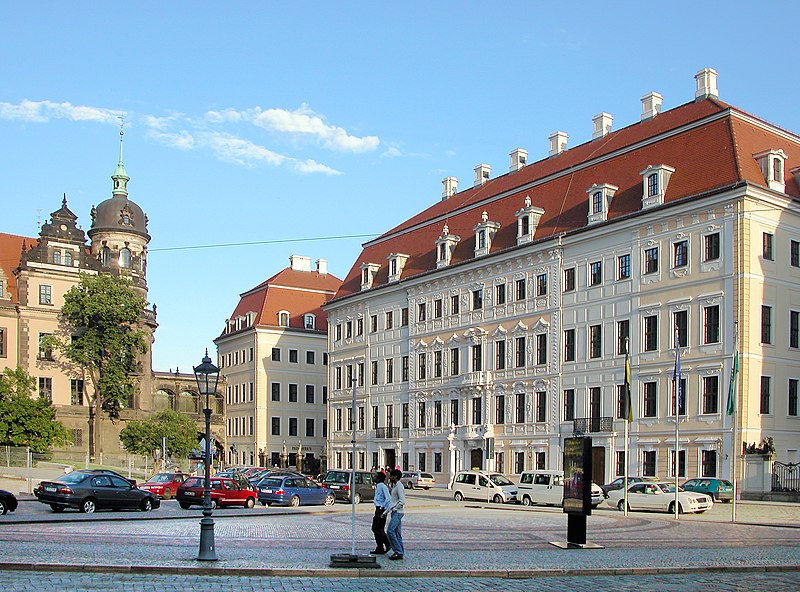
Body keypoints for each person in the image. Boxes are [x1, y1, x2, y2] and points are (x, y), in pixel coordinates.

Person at [383, 468, 406, 560]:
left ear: (395, 476)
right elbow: (392, 501)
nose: (390, 477)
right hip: (395, 512)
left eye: (392, 476)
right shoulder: (395, 486)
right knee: (397, 533)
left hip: (398, 512)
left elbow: (402, 501)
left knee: (390, 531)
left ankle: (398, 551)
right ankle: (400, 551)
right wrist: (386, 512)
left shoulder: (399, 486)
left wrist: (395, 508)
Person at [370, 472, 391, 555]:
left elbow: (388, 499)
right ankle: (380, 547)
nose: (373, 477)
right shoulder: (378, 486)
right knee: (376, 528)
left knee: (377, 528)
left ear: (378, 478)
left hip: (381, 510)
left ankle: (387, 544)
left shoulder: (382, 486)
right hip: (378, 509)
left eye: (375, 476)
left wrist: (384, 510)